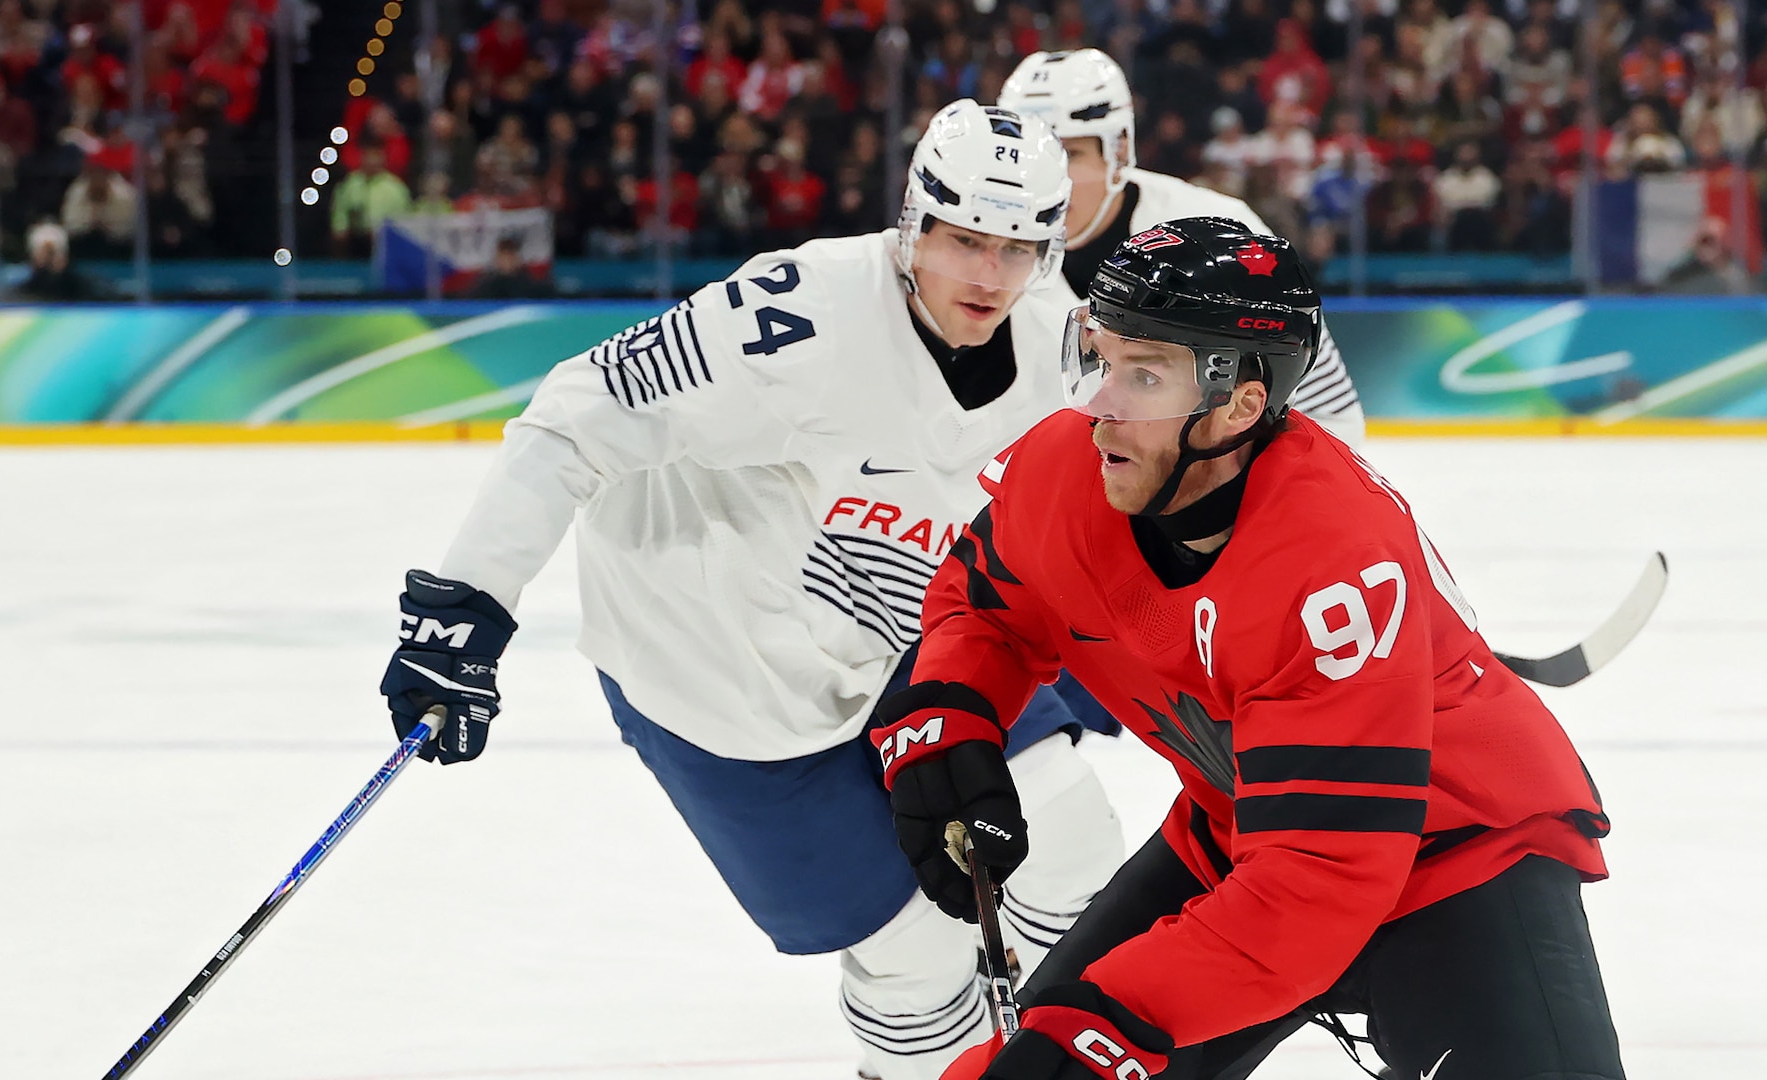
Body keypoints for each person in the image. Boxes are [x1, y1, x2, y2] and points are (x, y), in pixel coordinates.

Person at [379, 101, 1129, 1080]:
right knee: (921, 961)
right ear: (915, 220)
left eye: (1019, 247)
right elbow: (574, 414)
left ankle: (1092, 1054)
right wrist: (463, 608)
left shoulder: (1064, 346)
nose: (989, 275)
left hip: (914, 640)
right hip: (718, 677)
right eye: (964, 240)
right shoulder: (795, 319)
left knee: (1077, 844)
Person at [869, 218, 1623, 1080]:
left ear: (1240, 405)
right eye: (1101, 357)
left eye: (1144, 374)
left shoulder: (1331, 565)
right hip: (1245, 835)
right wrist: (950, 714)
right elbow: (987, 606)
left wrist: (1108, 1025)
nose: (1101, 401)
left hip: (1456, 856)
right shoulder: (1065, 471)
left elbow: (1320, 879)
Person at [997, 49, 1365, 449]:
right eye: (1025, 158)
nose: (1045, 180)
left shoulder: (1221, 233)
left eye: (1069, 154)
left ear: (1118, 151)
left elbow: (1327, 410)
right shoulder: (976, 249)